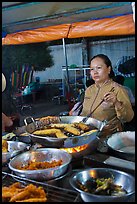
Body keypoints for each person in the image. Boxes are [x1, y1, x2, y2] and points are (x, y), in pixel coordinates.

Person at [80, 54, 134, 141]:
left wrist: (116, 103)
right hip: (88, 137)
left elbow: (128, 118)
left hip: (108, 138)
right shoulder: (89, 90)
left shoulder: (118, 90)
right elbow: (84, 113)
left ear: (109, 69)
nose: (95, 72)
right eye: (92, 69)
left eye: (99, 68)